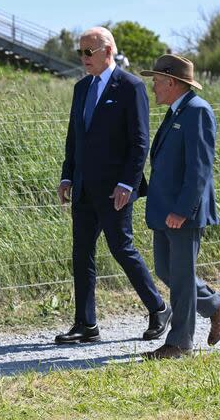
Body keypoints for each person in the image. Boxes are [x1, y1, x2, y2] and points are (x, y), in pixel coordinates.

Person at [56, 26, 171, 345]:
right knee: (82, 253)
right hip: (82, 187)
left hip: (115, 190)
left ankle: (159, 308)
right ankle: (86, 324)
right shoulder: (81, 88)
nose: (83, 58)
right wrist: (67, 175)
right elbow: (74, 137)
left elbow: (139, 142)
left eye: (87, 52)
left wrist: (127, 183)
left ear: (107, 51)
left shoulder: (130, 87)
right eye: (80, 52)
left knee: (121, 248)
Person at [140, 54, 220, 359]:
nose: (153, 87)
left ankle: (180, 343)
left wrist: (183, 209)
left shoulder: (197, 112)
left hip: (183, 213)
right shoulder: (175, 112)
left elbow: (200, 168)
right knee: (167, 271)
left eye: (156, 81)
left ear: (171, 82)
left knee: (180, 277)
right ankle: (216, 304)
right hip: (165, 212)